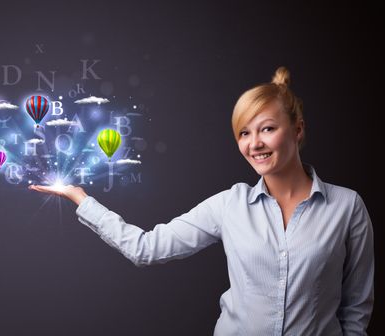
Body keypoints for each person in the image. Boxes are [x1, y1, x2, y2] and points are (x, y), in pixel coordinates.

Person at [29, 67, 374, 335]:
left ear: (298, 130)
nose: (254, 143)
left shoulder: (347, 207)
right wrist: (82, 199)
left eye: (267, 128)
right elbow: (147, 248)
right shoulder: (229, 206)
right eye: (244, 132)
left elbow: (356, 308)